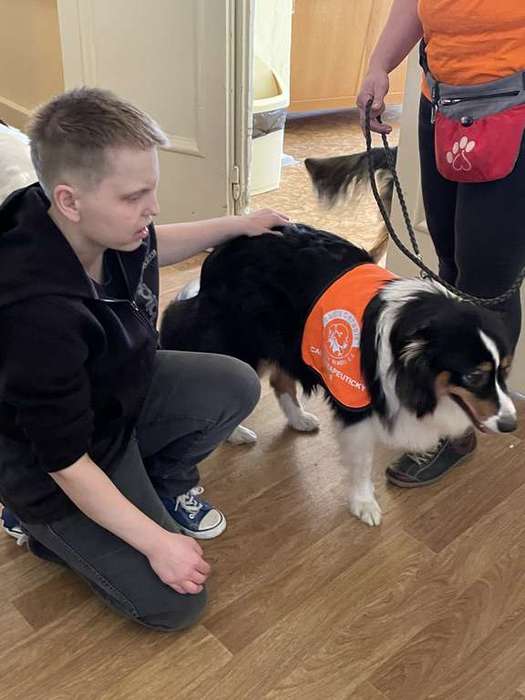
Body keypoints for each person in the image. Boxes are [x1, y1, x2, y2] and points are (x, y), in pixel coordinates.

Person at [0, 87, 289, 631]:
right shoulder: (36, 318)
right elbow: (66, 462)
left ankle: (161, 479)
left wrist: (235, 224)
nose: (151, 208)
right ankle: (38, 526)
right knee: (175, 604)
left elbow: (155, 241)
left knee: (234, 383)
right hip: (57, 464)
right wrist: (158, 543)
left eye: (152, 188)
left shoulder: (91, 223)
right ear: (69, 201)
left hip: (115, 396)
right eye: (135, 196)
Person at [356, 0, 525, 486]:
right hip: (443, 101)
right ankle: (442, 404)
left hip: (513, 109)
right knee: (449, 267)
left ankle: (462, 426)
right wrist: (379, 65)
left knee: (486, 287)